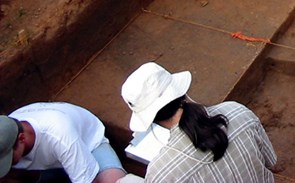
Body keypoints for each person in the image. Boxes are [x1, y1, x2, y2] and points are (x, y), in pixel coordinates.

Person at [121, 62, 276, 183]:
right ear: (180, 91)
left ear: (151, 119)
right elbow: (270, 160)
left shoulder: (161, 173)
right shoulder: (237, 111)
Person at [0, 102, 126, 183]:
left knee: (115, 181)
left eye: (8, 158)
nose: (7, 163)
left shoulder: (60, 134)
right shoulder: (6, 129)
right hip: (48, 166)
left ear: (22, 138)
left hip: (88, 145)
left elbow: (90, 181)